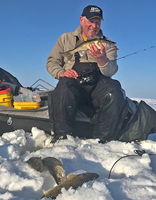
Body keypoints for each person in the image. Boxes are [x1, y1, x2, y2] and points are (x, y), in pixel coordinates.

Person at [46, 5, 128, 143]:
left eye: (98, 22)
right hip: (74, 84)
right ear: (81, 20)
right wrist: (61, 72)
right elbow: (52, 62)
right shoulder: (65, 39)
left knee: (114, 90)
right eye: (91, 21)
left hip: (98, 86)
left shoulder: (107, 44)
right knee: (63, 87)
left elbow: (111, 71)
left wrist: (102, 60)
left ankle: (103, 141)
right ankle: (62, 138)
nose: (94, 25)